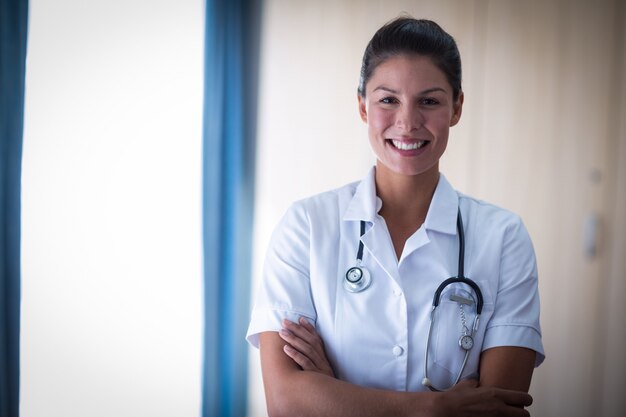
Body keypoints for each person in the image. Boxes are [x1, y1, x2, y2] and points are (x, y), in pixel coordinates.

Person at [247, 16, 544, 417]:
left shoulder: (503, 237)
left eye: (429, 100)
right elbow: (285, 402)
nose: (407, 122)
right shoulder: (305, 226)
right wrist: (435, 408)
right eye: (388, 99)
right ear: (362, 107)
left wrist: (333, 392)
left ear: (456, 107)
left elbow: (496, 410)